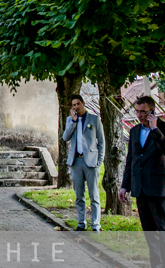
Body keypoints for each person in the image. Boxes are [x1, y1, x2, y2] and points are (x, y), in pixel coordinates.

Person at [118, 95, 165, 268]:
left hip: (159, 188)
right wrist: (125, 185)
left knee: (164, 230)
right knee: (150, 232)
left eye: (143, 112)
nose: (139, 115)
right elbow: (132, 160)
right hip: (140, 188)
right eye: (136, 111)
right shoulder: (134, 131)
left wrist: (155, 130)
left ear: (152, 111)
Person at [62, 94, 105, 232]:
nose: (76, 107)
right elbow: (65, 137)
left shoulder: (94, 119)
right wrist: (73, 122)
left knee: (94, 195)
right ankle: (81, 223)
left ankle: (95, 224)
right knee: (79, 195)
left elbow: (101, 142)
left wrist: (99, 160)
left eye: (78, 104)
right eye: (73, 105)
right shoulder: (70, 120)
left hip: (91, 162)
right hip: (76, 161)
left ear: (83, 104)